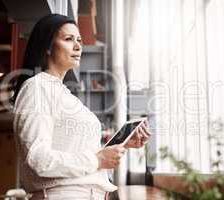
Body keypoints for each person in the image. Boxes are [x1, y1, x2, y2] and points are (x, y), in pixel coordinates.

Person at [12, 14, 151, 200]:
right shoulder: (37, 87)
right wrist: (97, 159)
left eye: (79, 40)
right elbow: (38, 159)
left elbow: (79, 153)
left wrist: (122, 144)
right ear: (47, 47)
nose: (78, 46)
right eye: (68, 39)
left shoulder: (66, 95)